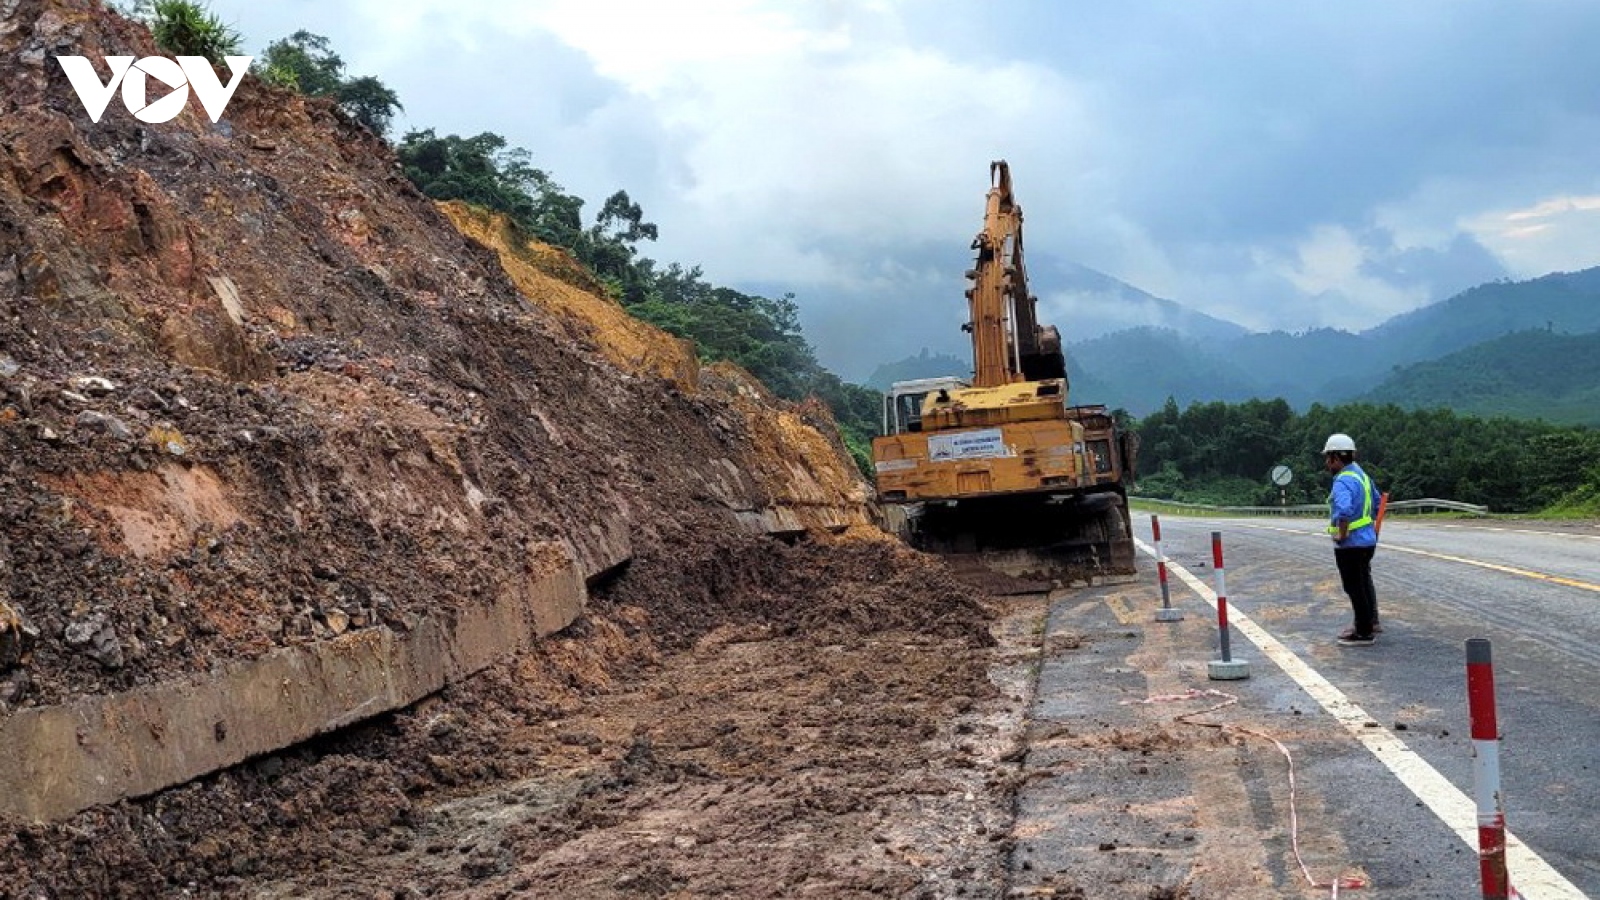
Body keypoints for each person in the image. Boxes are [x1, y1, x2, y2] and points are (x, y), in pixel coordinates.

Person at [1323, 433, 1381, 645]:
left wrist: (1342, 533)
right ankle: (1370, 622)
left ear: (1336, 458)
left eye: (1328, 458)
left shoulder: (1343, 480)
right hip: (1367, 540)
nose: (1326, 463)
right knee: (1364, 582)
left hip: (1351, 544)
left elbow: (1344, 510)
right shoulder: (1363, 477)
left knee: (1354, 586)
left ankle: (1363, 632)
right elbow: (1376, 503)